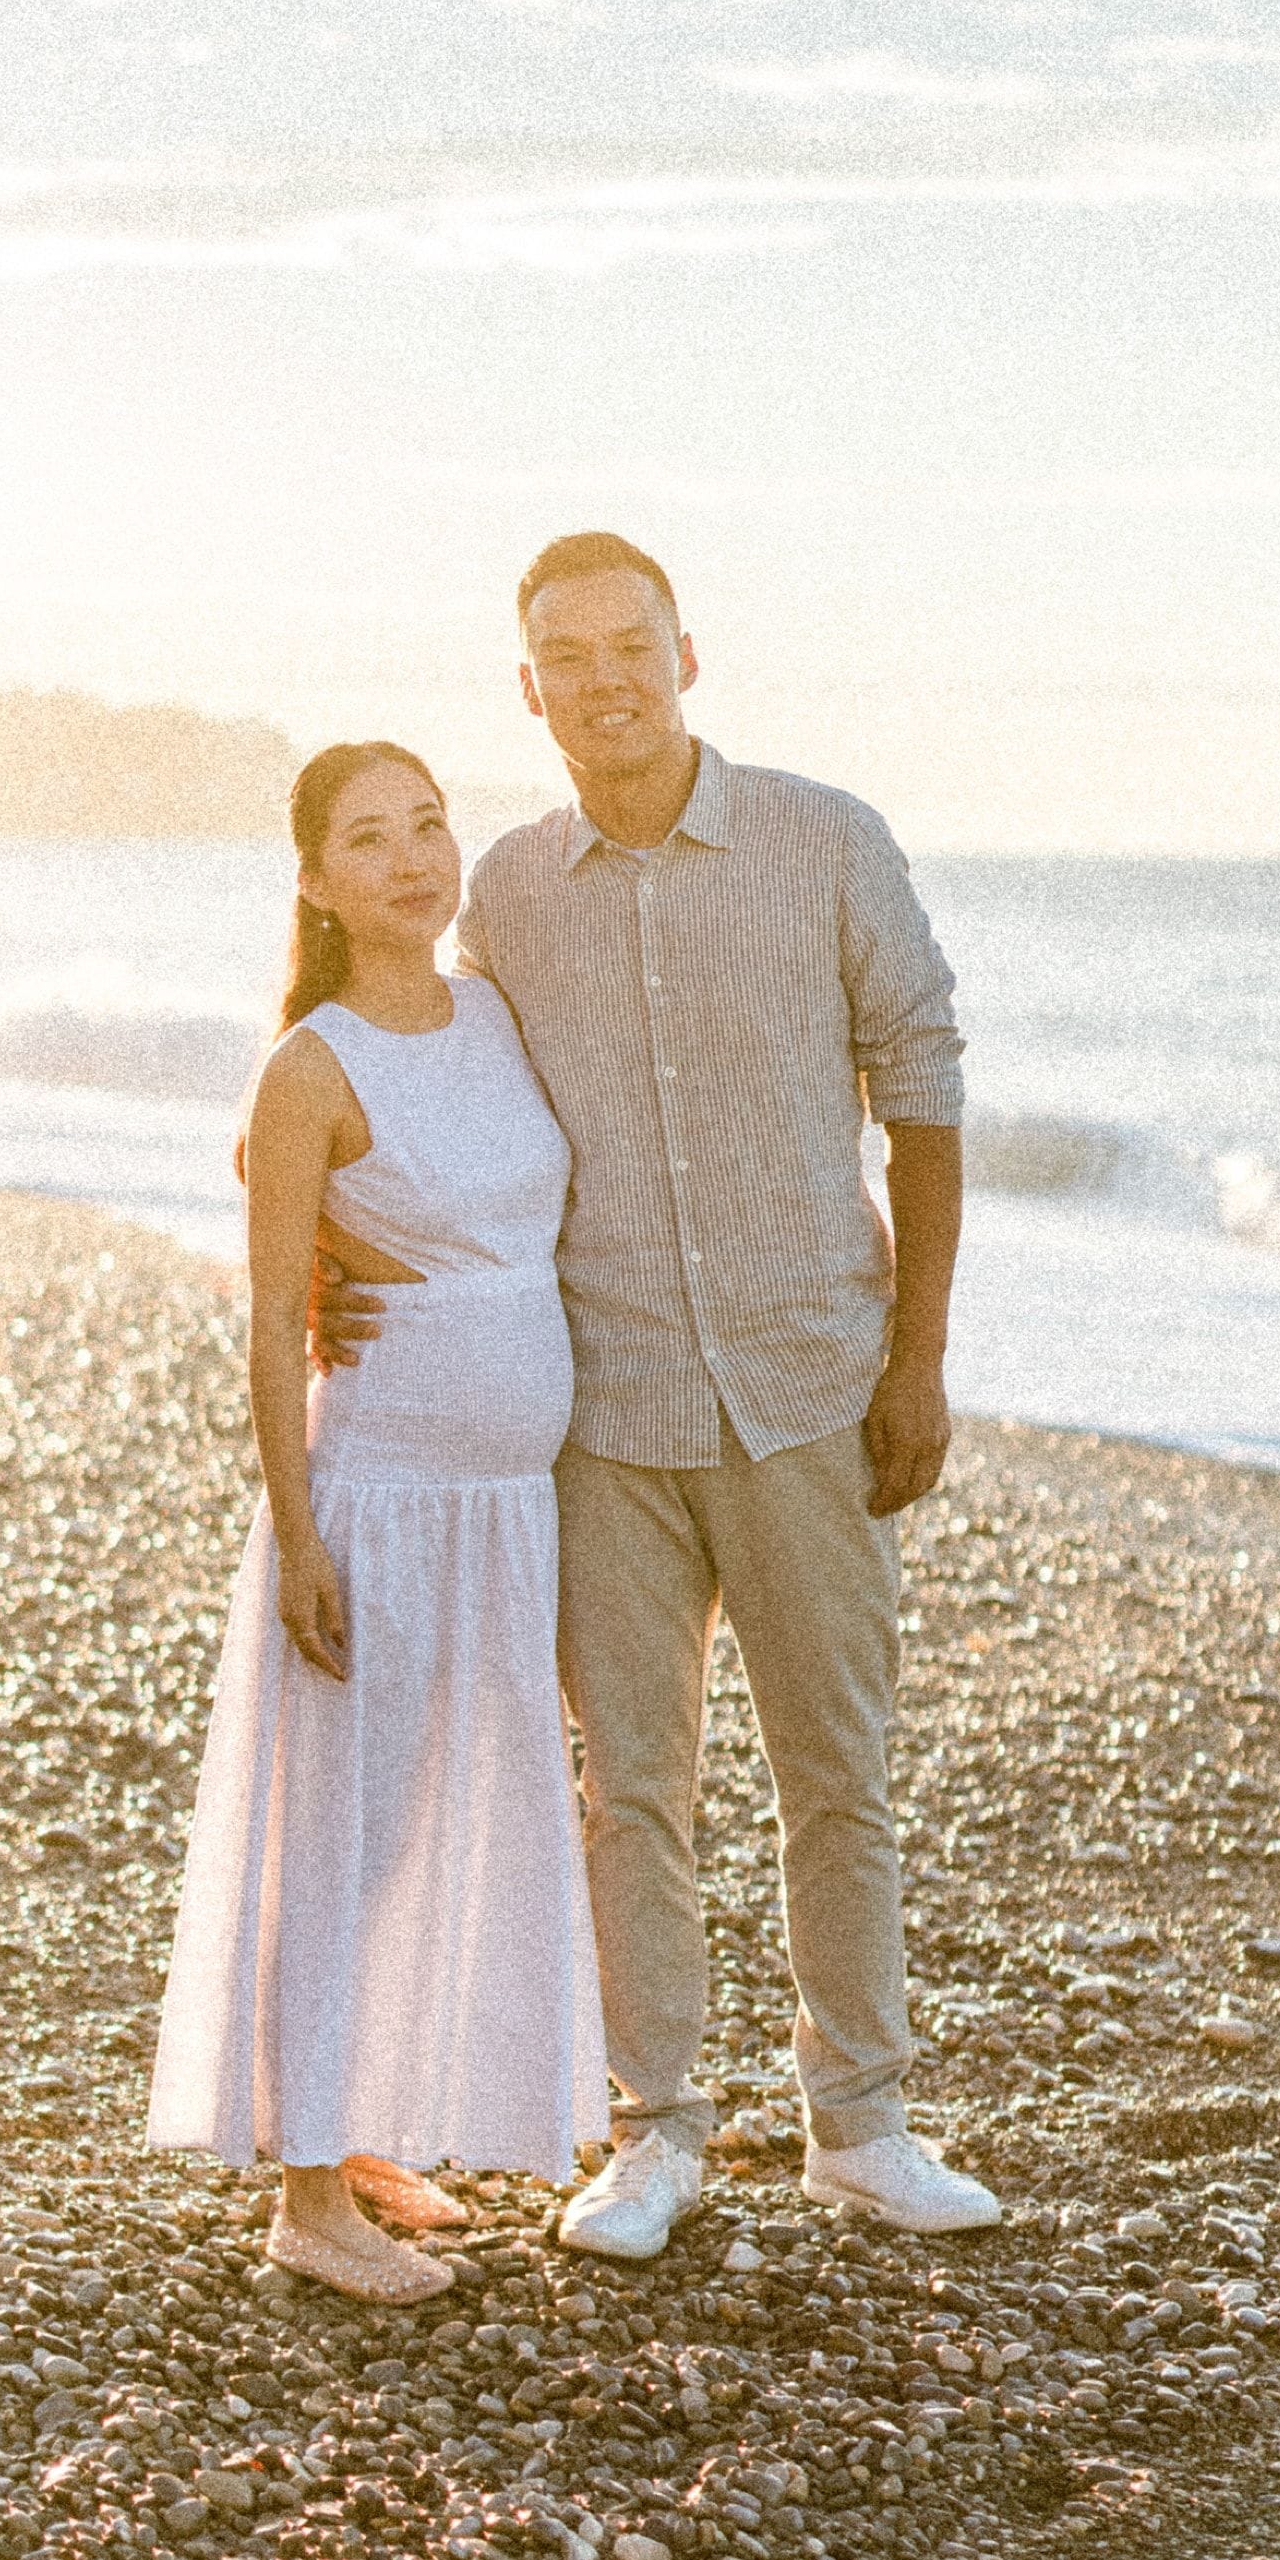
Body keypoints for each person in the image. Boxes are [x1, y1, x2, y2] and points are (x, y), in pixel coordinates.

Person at [321, 534, 999, 2253]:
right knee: (632, 1780)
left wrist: (917, 1357)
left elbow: (923, 1084)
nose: (606, 675)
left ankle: (863, 2120)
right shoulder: (511, 895)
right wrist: (325, 1238)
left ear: (689, 656)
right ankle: (661, 2131)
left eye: (635, 643)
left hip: (807, 1385)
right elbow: (394, 1057)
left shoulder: (826, 841)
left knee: (835, 1766)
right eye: (569, 652)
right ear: (528, 689)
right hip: (602, 1409)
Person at [147, 741, 608, 2302]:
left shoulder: (489, 1006)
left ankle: (349, 2133)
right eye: (370, 837)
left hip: (508, 1506)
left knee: (416, 1824)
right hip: (386, 1502)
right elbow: (278, 1315)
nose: (413, 857)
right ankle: (300, 2202)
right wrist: (301, 1532)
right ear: (315, 879)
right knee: (340, 1834)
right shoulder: (308, 1067)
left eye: (430, 823)